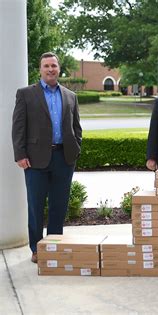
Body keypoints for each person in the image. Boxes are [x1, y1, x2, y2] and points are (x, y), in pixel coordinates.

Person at [12, 52, 82, 263]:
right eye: (46, 66)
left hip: (64, 158)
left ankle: (54, 245)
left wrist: (75, 148)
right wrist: (20, 154)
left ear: (59, 69)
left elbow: (76, 127)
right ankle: (36, 248)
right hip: (35, 160)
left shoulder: (70, 96)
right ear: (40, 69)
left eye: (53, 65)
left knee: (59, 205)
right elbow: (18, 127)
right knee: (35, 205)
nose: (50, 69)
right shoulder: (25, 94)